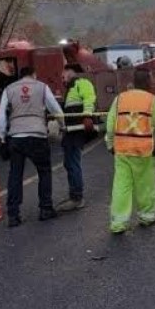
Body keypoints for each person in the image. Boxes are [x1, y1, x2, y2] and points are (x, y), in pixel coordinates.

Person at [104, 69, 155, 235]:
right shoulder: (153, 101)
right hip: (144, 150)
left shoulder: (119, 99)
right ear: (149, 82)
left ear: (134, 82)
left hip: (122, 149)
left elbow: (110, 126)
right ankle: (147, 217)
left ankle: (118, 223)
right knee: (145, 184)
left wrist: (110, 145)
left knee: (121, 186)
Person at [0, 66, 65, 228]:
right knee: (44, 171)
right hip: (37, 136)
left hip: (16, 137)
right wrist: (63, 126)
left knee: (15, 175)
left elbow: (1, 117)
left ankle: (13, 215)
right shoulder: (42, 87)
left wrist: (2, 137)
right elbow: (55, 109)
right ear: (34, 75)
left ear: (20, 76)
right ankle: (45, 208)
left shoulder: (9, 89)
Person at [56, 64, 97, 212]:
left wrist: (87, 116)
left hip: (77, 129)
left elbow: (89, 99)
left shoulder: (82, 83)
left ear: (69, 72)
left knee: (72, 162)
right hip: (71, 130)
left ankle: (77, 198)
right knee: (69, 162)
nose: (62, 79)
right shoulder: (71, 89)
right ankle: (75, 195)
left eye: (63, 76)